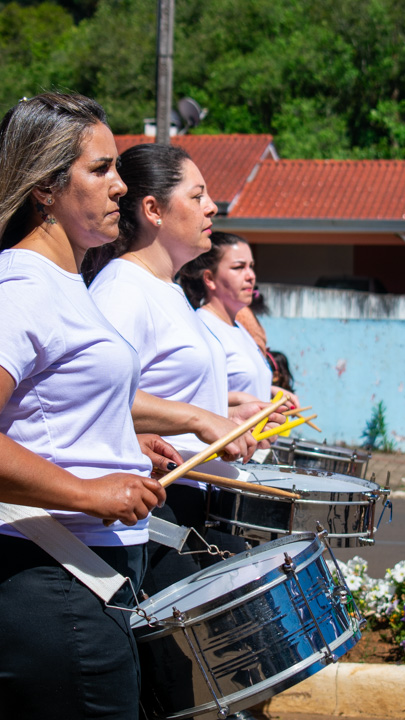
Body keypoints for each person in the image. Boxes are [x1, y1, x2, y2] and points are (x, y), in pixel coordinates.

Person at [0, 93, 251, 720]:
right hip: (43, 579)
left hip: (73, 575)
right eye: (100, 169)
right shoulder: (22, 284)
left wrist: (121, 447)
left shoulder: (64, 282)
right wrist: (87, 491)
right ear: (45, 187)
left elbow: (46, 410)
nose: (120, 185)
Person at [83, 144, 288, 592]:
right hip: (158, 506)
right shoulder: (122, 290)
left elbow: (167, 393)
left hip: (193, 501)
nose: (211, 207)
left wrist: (228, 418)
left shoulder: (168, 290)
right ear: (153, 209)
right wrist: (199, 419)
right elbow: (95, 399)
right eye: (197, 196)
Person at [179, 231, 297, 406]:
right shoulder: (201, 329)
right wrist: (240, 399)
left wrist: (270, 392)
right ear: (209, 278)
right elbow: (186, 399)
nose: (251, 276)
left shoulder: (239, 329)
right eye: (239, 267)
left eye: (251, 266)